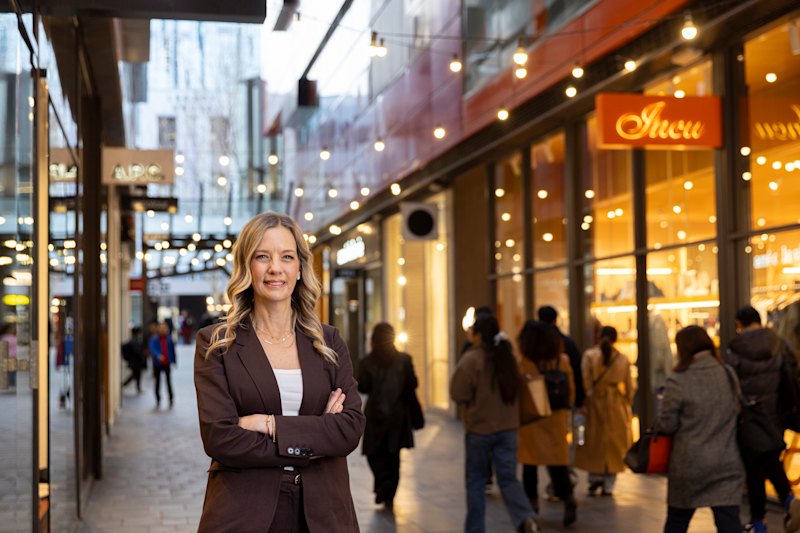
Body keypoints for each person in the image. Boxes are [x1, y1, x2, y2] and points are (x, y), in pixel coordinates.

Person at [193, 211, 365, 532]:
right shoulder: (216, 344)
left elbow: (350, 429)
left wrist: (269, 424)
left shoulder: (328, 342)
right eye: (262, 256)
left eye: (286, 256)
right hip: (245, 514)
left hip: (325, 514)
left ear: (299, 267)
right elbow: (221, 438)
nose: (275, 268)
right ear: (247, 266)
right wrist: (316, 436)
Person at [450, 313, 540, 533]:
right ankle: (525, 518)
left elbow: (457, 392)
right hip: (508, 428)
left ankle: (475, 529)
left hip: (480, 429)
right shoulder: (508, 358)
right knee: (508, 478)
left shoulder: (472, 359)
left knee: (477, 481)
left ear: (478, 334)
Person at [655, 326, 744, 533]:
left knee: (677, 520)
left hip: (689, 465)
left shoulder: (678, 380)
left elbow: (667, 424)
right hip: (726, 462)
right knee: (729, 522)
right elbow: (737, 410)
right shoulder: (727, 373)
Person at [726, 305, 800, 533]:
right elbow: (791, 376)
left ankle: (760, 522)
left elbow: (730, 383)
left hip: (747, 417)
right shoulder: (778, 342)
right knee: (769, 460)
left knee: (754, 468)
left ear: (739, 323)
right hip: (773, 415)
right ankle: (788, 501)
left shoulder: (734, 349)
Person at [517, 320, 577, 527]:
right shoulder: (562, 361)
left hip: (532, 420)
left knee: (529, 465)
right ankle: (568, 498)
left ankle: (531, 506)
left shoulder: (525, 363)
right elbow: (571, 390)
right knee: (558, 465)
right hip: (556, 419)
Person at [357, 322, 419, 511]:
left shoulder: (367, 362)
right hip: (397, 416)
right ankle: (387, 490)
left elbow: (363, 387)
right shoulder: (404, 359)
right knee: (393, 458)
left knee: (374, 454)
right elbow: (413, 384)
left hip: (376, 415)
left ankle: (384, 487)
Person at [574, 325, 635, 496]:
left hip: (595, 402)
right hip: (616, 403)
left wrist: (586, 400)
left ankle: (594, 476)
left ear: (599, 337)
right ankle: (609, 481)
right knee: (615, 443)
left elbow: (585, 380)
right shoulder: (622, 358)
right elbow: (630, 385)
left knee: (594, 440)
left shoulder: (590, 355)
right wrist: (627, 403)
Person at [537, 306, 584, 407]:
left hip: (540, 401)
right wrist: (579, 399)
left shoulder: (534, 344)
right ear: (556, 320)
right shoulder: (567, 342)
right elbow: (577, 370)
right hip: (563, 400)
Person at [149, 322, 176, 408]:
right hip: (157, 364)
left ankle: (171, 398)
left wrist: (174, 360)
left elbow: (172, 350)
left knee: (168, 381)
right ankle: (158, 398)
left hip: (166, 363)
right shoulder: (154, 338)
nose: (162, 329)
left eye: (164, 328)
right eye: (161, 328)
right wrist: (158, 355)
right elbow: (152, 348)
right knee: (157, 382)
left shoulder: (168, 338)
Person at [122, 326, 147, 393]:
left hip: (135, 361)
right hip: (135, 361)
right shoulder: (135, 340)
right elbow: (137, 351)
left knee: (136, 375)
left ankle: (137, 388)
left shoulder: (135, 339)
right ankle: (124, 384)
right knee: (135, 375)